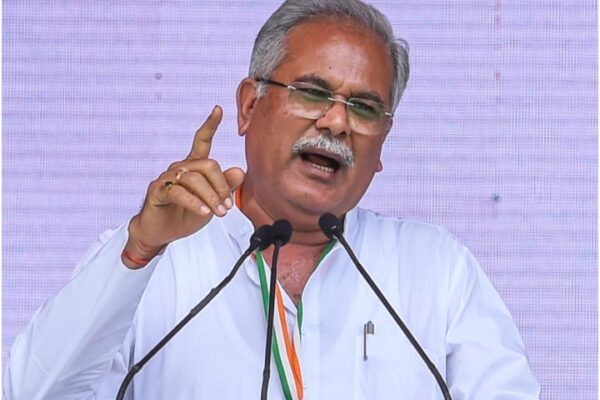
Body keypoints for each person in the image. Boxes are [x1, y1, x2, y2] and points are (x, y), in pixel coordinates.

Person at [5, 1, 540, 399]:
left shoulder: (435, 270)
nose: (337, 121)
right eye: (312, 92)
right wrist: (139, 251)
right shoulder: (153, 263)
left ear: (382, 144)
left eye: (363, 107)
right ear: (248, 107)